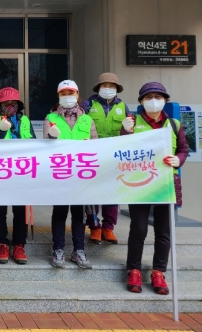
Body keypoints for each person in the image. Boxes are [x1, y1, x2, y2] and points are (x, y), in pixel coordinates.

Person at [123, 82, 188, 295]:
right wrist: (125, 131)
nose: (153, 101)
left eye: (158, 97)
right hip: (140, 184)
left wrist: (179, 160)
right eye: (148, 97)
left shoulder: (174, 124)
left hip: (166, 184)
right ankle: (134, 270)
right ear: (141, 101)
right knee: (139, 229)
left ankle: (159, 272)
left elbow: (183, 149)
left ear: (165, 101)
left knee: (163, 231)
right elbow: (121, 151)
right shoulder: (132, 122)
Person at [44, 79, 97, 269]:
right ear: (59, 96)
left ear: (77, 94)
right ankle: (58, 249)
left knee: (78, 214)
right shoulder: (51, 118)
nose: (67, 97)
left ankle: (79, 250)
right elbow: (44, 147)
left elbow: (96, 145)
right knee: (60, 212)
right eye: (63, 94)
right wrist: (51, 136)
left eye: (70, 93)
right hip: (60, 173)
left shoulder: (87, 119)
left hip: (81, 174)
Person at [0, 87, 36, 265]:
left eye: (13, 103)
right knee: (0, 208)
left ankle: (19, 244)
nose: (9, 106)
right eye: (6, 103)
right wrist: (0, 130)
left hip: (22, 170)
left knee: (20, 209)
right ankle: (2, 243)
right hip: (0, 170)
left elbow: (34, 143)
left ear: (18, 105)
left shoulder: (25, 120)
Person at [82, 72, 130, 245]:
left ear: (116, 89)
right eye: (105, 86)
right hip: (93, 155)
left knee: (112, 191)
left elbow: (129, 132)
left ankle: (108, 228)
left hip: (114, 155)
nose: (108, 89)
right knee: (92, 191)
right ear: (99, 88)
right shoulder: (88, 104)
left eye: (112, 86)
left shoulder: (123, 107)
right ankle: (94, 227)